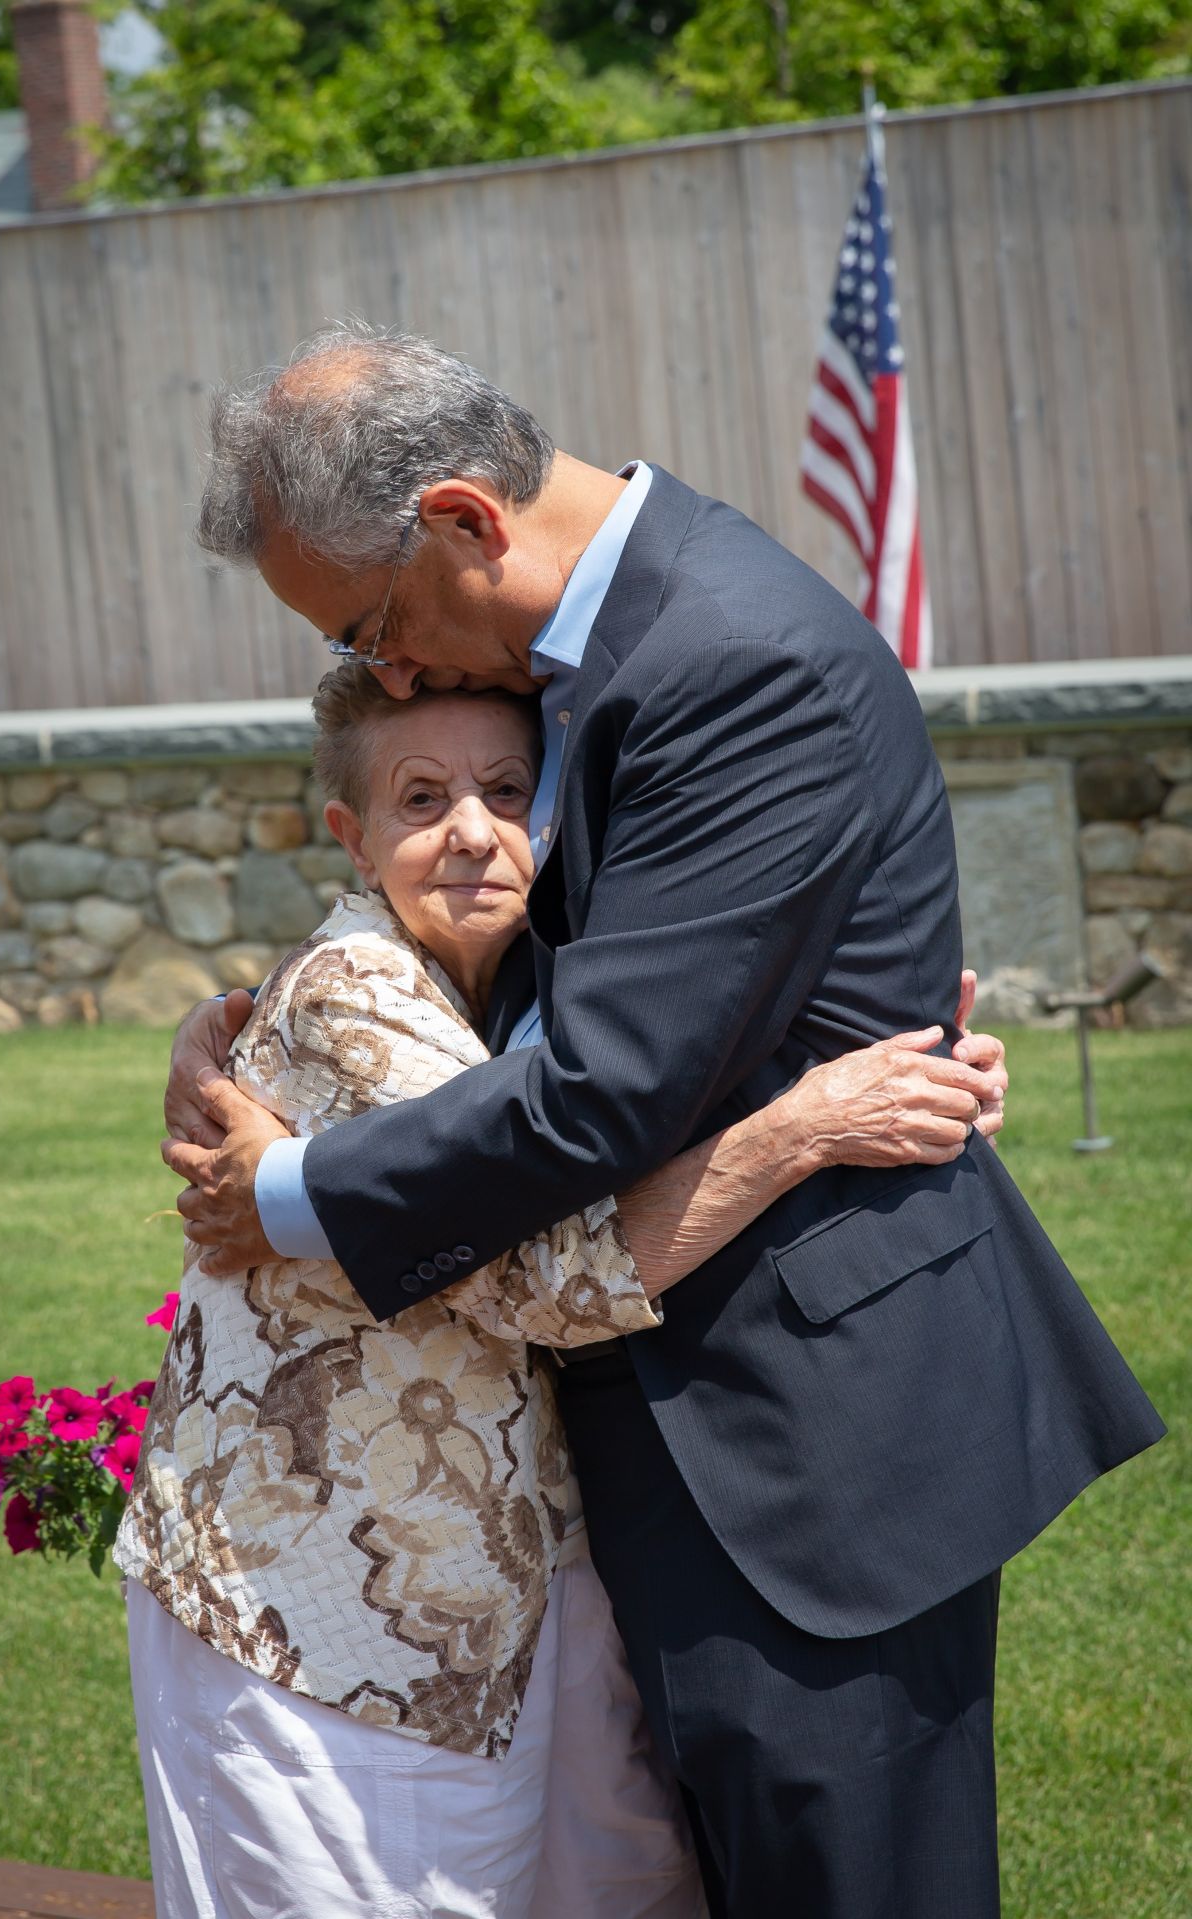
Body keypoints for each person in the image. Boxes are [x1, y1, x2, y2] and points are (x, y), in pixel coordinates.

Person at [163, 322, 1165, 1918]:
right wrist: (237, 1034)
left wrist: (287, 1188)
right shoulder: (580, 655)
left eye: (375, 623)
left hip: (809, 1445)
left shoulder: (728, 659)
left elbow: (599, 1088)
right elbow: (486, 948)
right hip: (665, 1403)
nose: (391, 672)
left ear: (466, 523)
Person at [124, 672, 998, 1919]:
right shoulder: (353, 995)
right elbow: (551, 1278)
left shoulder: (536, 984)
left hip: (486, 1598)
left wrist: (919, 1066)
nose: (471, 829)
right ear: (350, 837)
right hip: (317, 1617)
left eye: (504, 789)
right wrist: (811, 1121)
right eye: (419, 798)